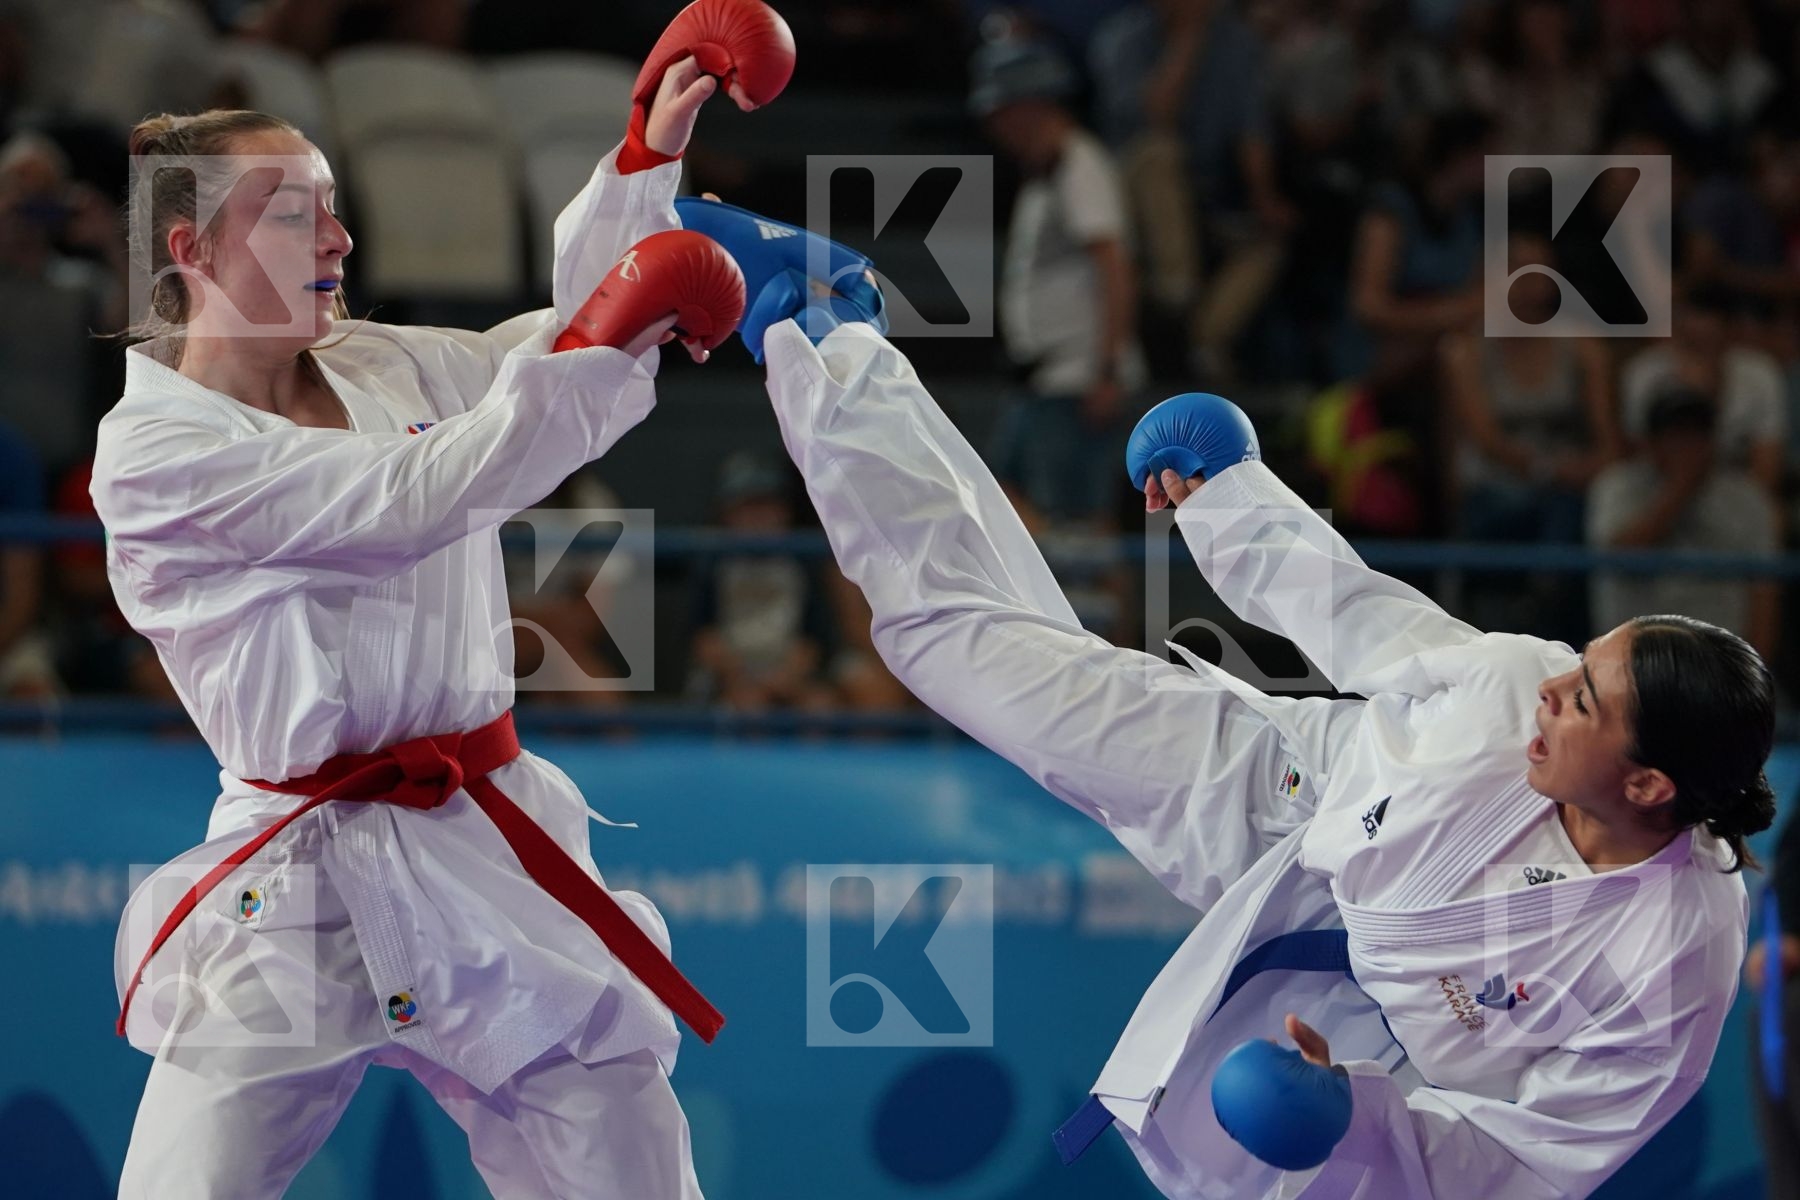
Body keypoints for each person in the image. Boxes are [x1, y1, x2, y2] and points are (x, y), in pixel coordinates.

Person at [693, 208, 1777, 1199]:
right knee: (955, 652)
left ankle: (836, 339)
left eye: (1584, 699)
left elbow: (1536, 1155)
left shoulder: (1673, 961)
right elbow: (1364, 619)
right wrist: (1235, 496)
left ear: (1649, 784)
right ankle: (822, 333)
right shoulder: (1513, 685)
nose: (1550, 686)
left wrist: (1354, 1114)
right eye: (1576, 665)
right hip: (1281, 787)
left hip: (1368, 1055)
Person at [93, 2, 791, 1193]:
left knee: (621, 1144)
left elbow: (557, 345)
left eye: (333, 206)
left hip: (486, 837)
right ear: (191, 249)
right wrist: (622, 319)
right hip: (298, 871)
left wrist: (644, 162)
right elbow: (414, 496)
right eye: (294, 213)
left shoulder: (385, 361)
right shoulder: (155, 452)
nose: (339, 237)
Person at [1588, 385, 1781, 659]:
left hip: (1718, 658)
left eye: (1696, 434)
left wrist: (1755, 666)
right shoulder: (1616, 486)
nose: (1687, 445)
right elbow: (1620, 555)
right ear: (1650, 442)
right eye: (1675, 434)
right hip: (1636, 657)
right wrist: (1681, 488)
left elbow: (1764, 590)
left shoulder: (1747, 498)